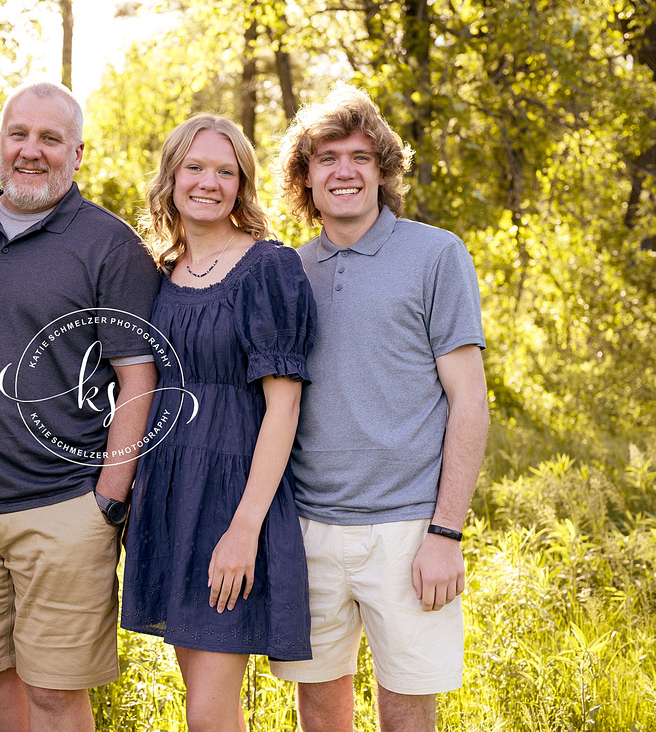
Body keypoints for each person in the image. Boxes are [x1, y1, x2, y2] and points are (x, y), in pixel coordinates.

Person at [0, 80, 161, 732]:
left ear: (78, 153)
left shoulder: (109, 246)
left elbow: (138, 376)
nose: (30, 151)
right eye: (18, 134)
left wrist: (108, 498)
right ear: (0, 141)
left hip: (63, 509)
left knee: (58, 696)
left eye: (49, 138)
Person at [270, 84, 491, 732]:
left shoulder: (435, 254)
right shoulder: (287, 271)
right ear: (305, 177)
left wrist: (446, 534)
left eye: (361, 157)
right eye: (327, 157)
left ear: (383, 170)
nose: (344, 171)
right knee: (318, 706)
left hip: (409, 529)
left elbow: (470, 402)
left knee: (406, 711)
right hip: (308, 526)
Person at [121, 114, 317, 731]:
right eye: (195, 167)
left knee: (208, 712)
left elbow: (283, 408)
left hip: (233, 499)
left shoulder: (268, 269)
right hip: (170, 493)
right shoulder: (159, 270)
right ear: (172, 176)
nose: (208, 182)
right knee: (204, 701)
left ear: (242, 185)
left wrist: (244, 530)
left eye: (225, 171)